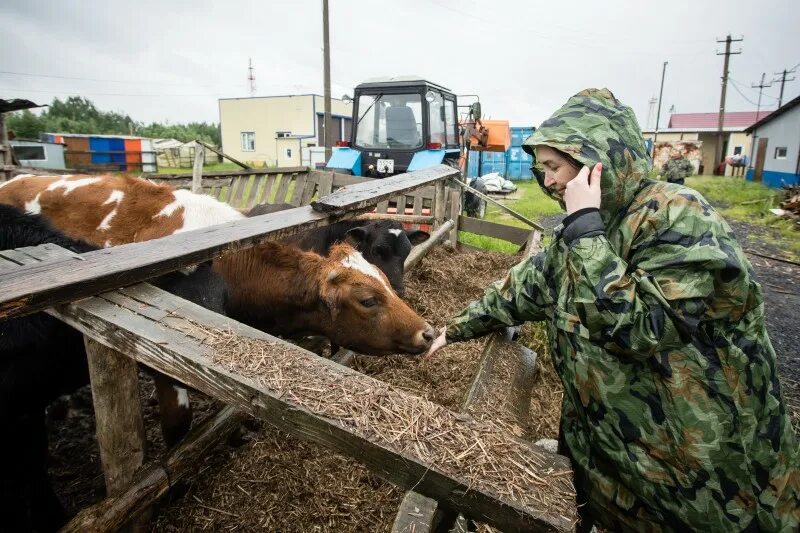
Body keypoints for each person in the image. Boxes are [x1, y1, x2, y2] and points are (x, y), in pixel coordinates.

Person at [424, 88, 799, 532]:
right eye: (541, 168)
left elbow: (643, 329)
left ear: (597, 163)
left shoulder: (678, 217)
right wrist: (457, 327)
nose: (547, 182)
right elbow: (527, 287)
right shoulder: (590, 227)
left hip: (700, 472)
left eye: (554, 167)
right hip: (619, 458)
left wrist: (585, 230)